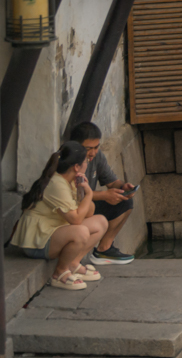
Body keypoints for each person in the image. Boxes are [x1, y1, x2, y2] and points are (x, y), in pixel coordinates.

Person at [11, 142, 105, 290]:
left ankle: (73, 263)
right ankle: (59, 273)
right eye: (85, 161)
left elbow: (90, 212)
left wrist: (82, 193)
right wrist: (89, 194)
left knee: (101, 222)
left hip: (54, 231)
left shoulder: (70, 180)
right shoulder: (56, 184)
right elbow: (76, 219)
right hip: (36, 242)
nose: (88, 163)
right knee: (81, 232)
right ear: (76, 166)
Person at [68, 121, 136, 263]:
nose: (93, 152)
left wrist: (124, 187)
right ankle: (72, 263)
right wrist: (104, 195)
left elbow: (112, 182)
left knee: (125, 201)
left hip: (88, 204)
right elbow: (73, 195)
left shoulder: (96, 156)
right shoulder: (67, 160)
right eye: (88, 148)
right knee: (96, 220)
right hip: (71, 211)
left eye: (96, 147)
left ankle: (104, 249)